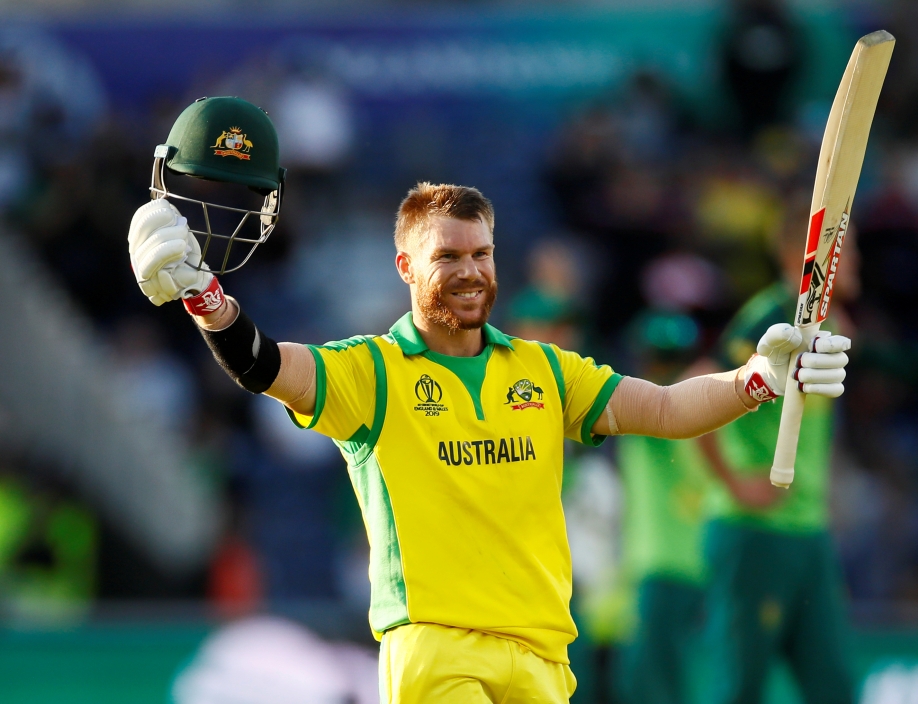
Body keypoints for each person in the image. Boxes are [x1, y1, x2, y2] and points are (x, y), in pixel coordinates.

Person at [126, 96, 852, 704]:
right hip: (438, 650)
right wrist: (205, 298)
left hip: (541, 653)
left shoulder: (542, 369)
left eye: (481, 254)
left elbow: (664, 410)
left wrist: (754, 379)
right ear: (407, 265)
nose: (470, 272)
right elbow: (263, 365)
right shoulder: (371, 373)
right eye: (447, 257)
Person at [695, 207, 859, 704]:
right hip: (755, 532)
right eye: (847, 250)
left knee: (834, 687)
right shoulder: (773, 314)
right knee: (740, 688)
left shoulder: (821, 321)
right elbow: (700, 380)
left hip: (807, 531)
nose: (857, 261)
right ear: (806, 256)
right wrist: (733, 482)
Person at [614, 309, 719, 704]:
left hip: (660, 570)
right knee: (672, 683)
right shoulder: (706, 409)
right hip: (697, 568)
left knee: (651, 686)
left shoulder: (646, 411)